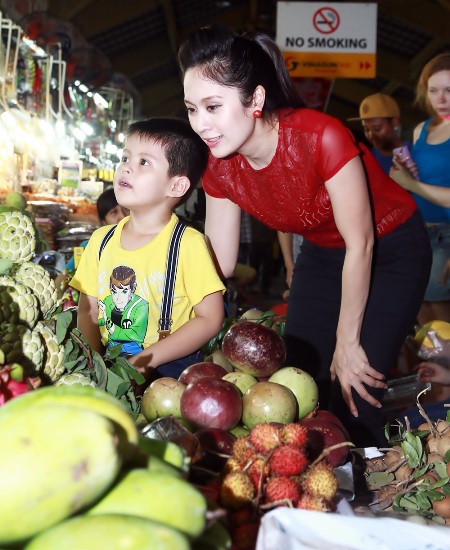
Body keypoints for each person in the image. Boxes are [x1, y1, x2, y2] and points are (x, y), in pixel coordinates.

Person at [179, 25, 432, 447]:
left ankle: (359, 484)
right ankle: (308, 484)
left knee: (357, 382)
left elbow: (362, 243)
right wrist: (163, 281)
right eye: (191, 109)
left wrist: (347, 342)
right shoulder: (219, 166)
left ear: (255, 100)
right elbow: (218, 261)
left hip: (391, 249)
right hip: (322, 252)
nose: (201, 124)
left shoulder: (320, 137)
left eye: (213, 106)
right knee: (296, 382)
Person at [70, 117, 225, 386]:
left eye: (143, 162)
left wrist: (147, 359)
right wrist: (94, 364)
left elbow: (210, 318)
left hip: (170, 371)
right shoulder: (100, 240)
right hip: (109, 363)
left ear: (176, 186)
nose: (126, 169)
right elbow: (88, 310)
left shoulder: (188, 244)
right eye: (125, 158)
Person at [391, 52, 450, 327]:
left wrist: (411, 184)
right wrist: (402, 171)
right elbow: (410, 181)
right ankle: (430, 370)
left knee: (441, 311)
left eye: (449, 90)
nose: (441, 98)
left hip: (446, 235)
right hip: (417, 229)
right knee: (420, 312)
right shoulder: (421, 130)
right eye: (434, 90)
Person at [347, 93, 413, 175]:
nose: (371, 135)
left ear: (394, 122)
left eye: (377, 129)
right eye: (367, 129)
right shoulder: (367, 158)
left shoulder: (415, 155)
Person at [65, 187, 128, 272]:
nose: (122, 216)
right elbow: (63, 278)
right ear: (103, 222)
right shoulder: (89, 247)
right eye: (114, 212)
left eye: (127, 209)